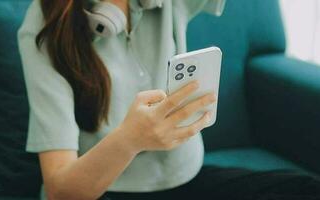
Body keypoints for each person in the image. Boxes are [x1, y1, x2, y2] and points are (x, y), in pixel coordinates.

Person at [18, 0, 320, 199]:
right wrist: (130, 140)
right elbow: (60, 189)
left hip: (185, 178)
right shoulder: (44, 26)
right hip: (106, 189)